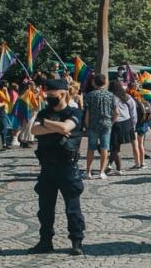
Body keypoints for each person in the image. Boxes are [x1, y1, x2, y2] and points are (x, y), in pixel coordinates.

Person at [30, 79, 85, 256]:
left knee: (72, 208)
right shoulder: (45, 112)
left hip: (67, 167)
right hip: (47, 167)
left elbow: (66, 126)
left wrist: (51, 125)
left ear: (62, 93)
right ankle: (45, 241)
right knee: (45, 208)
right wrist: (56, 128)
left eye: (51, 95)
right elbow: (34, 131)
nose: (48, 98)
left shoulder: (75, 111)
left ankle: (76, 241)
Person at [83, 74, 115, 180]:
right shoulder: (110, 95)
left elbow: (87, 112)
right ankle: (101, 172)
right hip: (106, 124)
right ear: (105, 83)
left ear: (94, 82)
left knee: (91, 148)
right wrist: (111, 122)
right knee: (104, 148)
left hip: (93, 124)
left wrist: (86, 125)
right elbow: (117, 112)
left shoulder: (90, 95)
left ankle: (88, 172)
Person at [108, 79, 137, 176]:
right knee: (115, 146)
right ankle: (109, 164)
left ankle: (119, 168)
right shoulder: (127, 96)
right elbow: (133, 111)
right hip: (127, 122)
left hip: (116, 123)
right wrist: (133, 124)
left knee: (115, 147)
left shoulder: (110, 97)